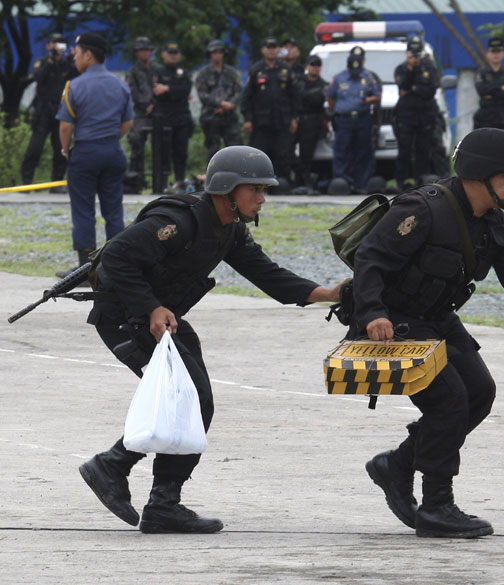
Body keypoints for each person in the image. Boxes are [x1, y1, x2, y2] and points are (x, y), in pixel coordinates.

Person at [78, 145, 347, 534]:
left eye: (264, 190)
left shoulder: (229, 229)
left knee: (190, 400)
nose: (262, 198)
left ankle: (149, 494)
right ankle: (125, 475)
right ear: (227, 190)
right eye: (254, 189)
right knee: (191, 398)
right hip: (124, 319)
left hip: (160, 320)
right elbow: (118, 256)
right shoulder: (178, 221)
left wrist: (327, 293)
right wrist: (151, 307)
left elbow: (268, 274)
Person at [351, 128, 504, 538]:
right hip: (393, 322)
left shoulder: (495, 222)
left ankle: (397, 464)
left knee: (478, 393)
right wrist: (371, 312)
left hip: (438, 319)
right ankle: (437, 506)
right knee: (450, 400)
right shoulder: (421, 208)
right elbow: (371, 258)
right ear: (479, 175)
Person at [56, 33, 133, 276]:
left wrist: (65, 149)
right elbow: (128, 122)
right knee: (113, 210)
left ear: (88, 55)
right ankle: (116, 266)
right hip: (112, 151)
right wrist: (109, 140)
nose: (74, 58)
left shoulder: (74, 86)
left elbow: (66, 126)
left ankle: (85, 269)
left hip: (85, 153)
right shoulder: (121, 85)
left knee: (83, 210)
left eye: (77, 53)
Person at [241, 37, 299, 190]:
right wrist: (247, 119)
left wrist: (294, 118)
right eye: (269, 48)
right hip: (261, 121)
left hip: (282, 120)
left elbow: (294, 96)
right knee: (259, 154)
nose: (272, 51)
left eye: (274, 48)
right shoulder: (256, 70)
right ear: (263, 50)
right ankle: (257, 186)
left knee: (283, 154)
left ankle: (283, 186)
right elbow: (247, 97)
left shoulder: (286, 69)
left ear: (278, 50)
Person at [20, 33, 77, 189]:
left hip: (60, 112)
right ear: (48, 46)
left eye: (59, 43)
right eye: (53, 43)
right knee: (34, 148)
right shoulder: (42, 63)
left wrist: (73, 60)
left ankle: (56, 184)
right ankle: (26, 182)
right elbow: (38, 78)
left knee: (61, 150)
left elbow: (77, 77)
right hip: (43, 113)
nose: (56, 46)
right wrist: (50, 62)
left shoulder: (67, 64)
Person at [325, 47, 380, 193]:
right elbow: (330, 98)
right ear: (348, 66)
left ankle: (361, 184)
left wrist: (367, 100)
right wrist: (338, 110)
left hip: (363, 119)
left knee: (363, 152)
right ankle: (341, 183)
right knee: (342, 151)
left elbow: (377, 96)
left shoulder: (368, 77)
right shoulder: (338, 78)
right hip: (344, 120)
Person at [394, 35, 439, 189]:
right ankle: (402, 181)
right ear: (407, 53)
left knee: (423, 149)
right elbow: (403, 86)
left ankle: (421, 181)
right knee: (404, 150)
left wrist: (414, 89)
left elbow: (431, 90)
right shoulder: (401, 69)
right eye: (411, 52)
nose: (414, 55)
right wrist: (411, 70)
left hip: (425, 115)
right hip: (406, 116)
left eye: (417, 52)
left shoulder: (429, 68)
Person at [152, 42, 194, 192]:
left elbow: (186, 90)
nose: (173, 56)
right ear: (164, 54)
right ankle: (161, 185)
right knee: (163, 153)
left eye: (175, 53)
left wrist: (167, 89)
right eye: (170, 53)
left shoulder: (184, 73)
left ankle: (180, 183)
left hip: (181, 118)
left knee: (181, 152)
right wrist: (175, 91)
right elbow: (156, 92)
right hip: (164, 118)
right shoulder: (158, 72)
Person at [194, 40, 243, 162]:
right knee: (213, 150)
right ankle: (214, 174)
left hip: (230, 116)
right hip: (211, 116)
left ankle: (236, 173)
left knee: (236, 149)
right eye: (214, 52)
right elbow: (203, 95)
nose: (217, 55)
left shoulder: (232, 73)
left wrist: (230, 104)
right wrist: (221, 104)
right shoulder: (203, 74)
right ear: (210, 54)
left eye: (220, 52)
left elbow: (238, 91)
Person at [125, 36, 158, 193]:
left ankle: (159, 182)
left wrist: (154, 105)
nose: (145, 53)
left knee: (160, 147)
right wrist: (145, 106)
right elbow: (131, 91)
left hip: (158, 112)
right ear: (137, 52)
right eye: (141, 50)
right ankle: (136, 181)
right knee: (136, 145)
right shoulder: (133, 71)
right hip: (139, 113)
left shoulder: (157, 69)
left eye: (147, 50)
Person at [292, 54, 328, 193]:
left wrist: (305, 96)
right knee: (286, 151)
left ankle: (305, 183)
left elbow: (318, 101)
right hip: (295, 120)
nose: (315, 68)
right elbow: (291, 99)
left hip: (312, 122)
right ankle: (295, 179)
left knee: (306, 155)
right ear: (307, 66)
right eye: (312, 65)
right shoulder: (298, 81)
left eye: (318, 65)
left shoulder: (323, 85)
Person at [474, 38, 504, 133]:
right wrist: (500, 88)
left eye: (498, 51)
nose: (496, 54)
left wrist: (491, 92)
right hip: (486, 118)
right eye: (493, 52)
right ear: (488, 54)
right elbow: (481, 90)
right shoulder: (482, 72)